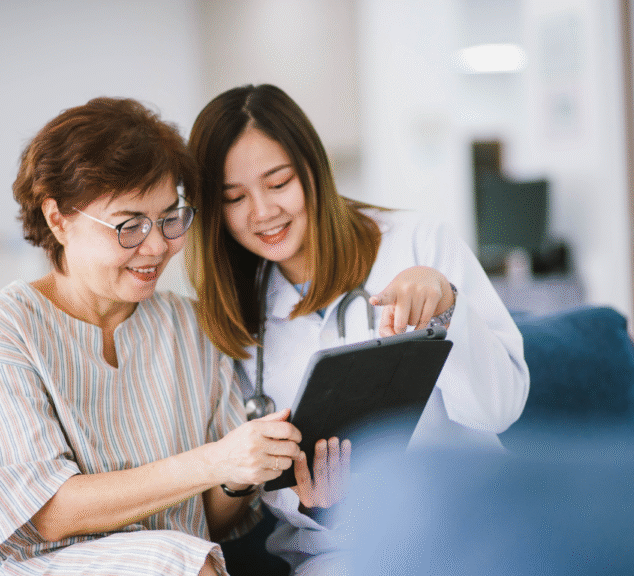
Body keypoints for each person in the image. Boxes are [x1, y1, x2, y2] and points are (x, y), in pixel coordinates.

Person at [0, 97, 303, 576]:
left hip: (170, 560)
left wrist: (237, 476)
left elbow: (206, 518)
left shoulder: (188, 327)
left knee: (181, 558)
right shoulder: (1, 332)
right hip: (23, 566)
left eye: (171, 218)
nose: (156, 246)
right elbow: (50, 512)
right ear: (57, 218)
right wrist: (214, 460)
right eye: (129, 226)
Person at [186, 84, 530, 574]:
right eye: (234, 197)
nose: (262, 212)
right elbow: (240, 493)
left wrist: (445, 304)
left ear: (313, 170)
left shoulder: (417, 243)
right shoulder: (232, 315)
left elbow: (500, 410)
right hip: (340, 552)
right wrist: (316, 503)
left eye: (279, 182)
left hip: (466, 521)